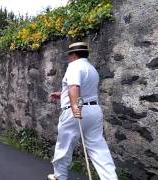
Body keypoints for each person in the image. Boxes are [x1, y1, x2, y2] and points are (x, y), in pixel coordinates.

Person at [47, 42, 118, 180]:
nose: (69, 58)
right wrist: (63, 94)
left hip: (76, 112)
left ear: (73, 54)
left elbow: (74, 87)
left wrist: (75, 107)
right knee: (98, 147)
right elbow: (84, 91)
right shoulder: (91, 69)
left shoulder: (74, 66)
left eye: (69, 55)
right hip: (94, 110)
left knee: (64, 145)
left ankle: (59, 176)